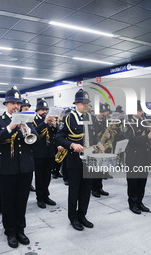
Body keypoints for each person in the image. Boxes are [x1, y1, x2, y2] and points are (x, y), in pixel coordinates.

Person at [0, 86, 38, 248]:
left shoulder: (26, 118)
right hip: (6, 167)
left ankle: (20, 229)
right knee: (8, 201)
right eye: (12, 103)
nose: (15, 106)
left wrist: (27, 128)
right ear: (6, 105)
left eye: (17, 103)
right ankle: (10, 231)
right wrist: (10, 127)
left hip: (25, 167)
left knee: (22, 200)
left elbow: (35, 138)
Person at [55, 89, 103, 231]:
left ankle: (82, 215)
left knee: (86, 190)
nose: (85, 105)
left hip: (89, 160)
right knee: (74, 191)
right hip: (74, 160)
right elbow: (58, 137)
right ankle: (73, 217)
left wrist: (99, 143)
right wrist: (72, 144)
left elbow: (94, 135)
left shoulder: (92, 118)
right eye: (82, 102)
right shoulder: (69, 118)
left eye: (87, 103)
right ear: (76, 103)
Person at [124, 100, 151, 214]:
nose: (142, 112)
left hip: (144, 156)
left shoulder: (143, 122)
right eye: (140, 110)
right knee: (133, 182)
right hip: (133, 157)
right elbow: (130, 139)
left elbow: (146, 139)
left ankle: (140, 202)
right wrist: (147, 137)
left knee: (142, 181)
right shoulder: (127, 123)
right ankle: (132, 203)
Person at [33, 98, 57, 209]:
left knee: (47, 176)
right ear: (37, 110)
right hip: (39, 153)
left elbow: (55, 135)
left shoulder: (49, 120)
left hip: (49, 152)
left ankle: (46, 195)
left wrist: (55, 125)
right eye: (42, 110)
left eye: (46, 109)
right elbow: (34, 132)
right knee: (39, 177)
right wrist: (45, 122)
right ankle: (40, 198)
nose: (44, 112)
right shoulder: (34, 120)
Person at [92, 103, 110, 198]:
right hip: (94, 147)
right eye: (101, 112)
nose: (103, 114)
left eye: (104, 112)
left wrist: (108, 135)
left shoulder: (104, 121)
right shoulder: (91, 120)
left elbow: (105, 131)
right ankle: (94, 189)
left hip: (102, 146)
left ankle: (100, 187)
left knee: (100, 169)